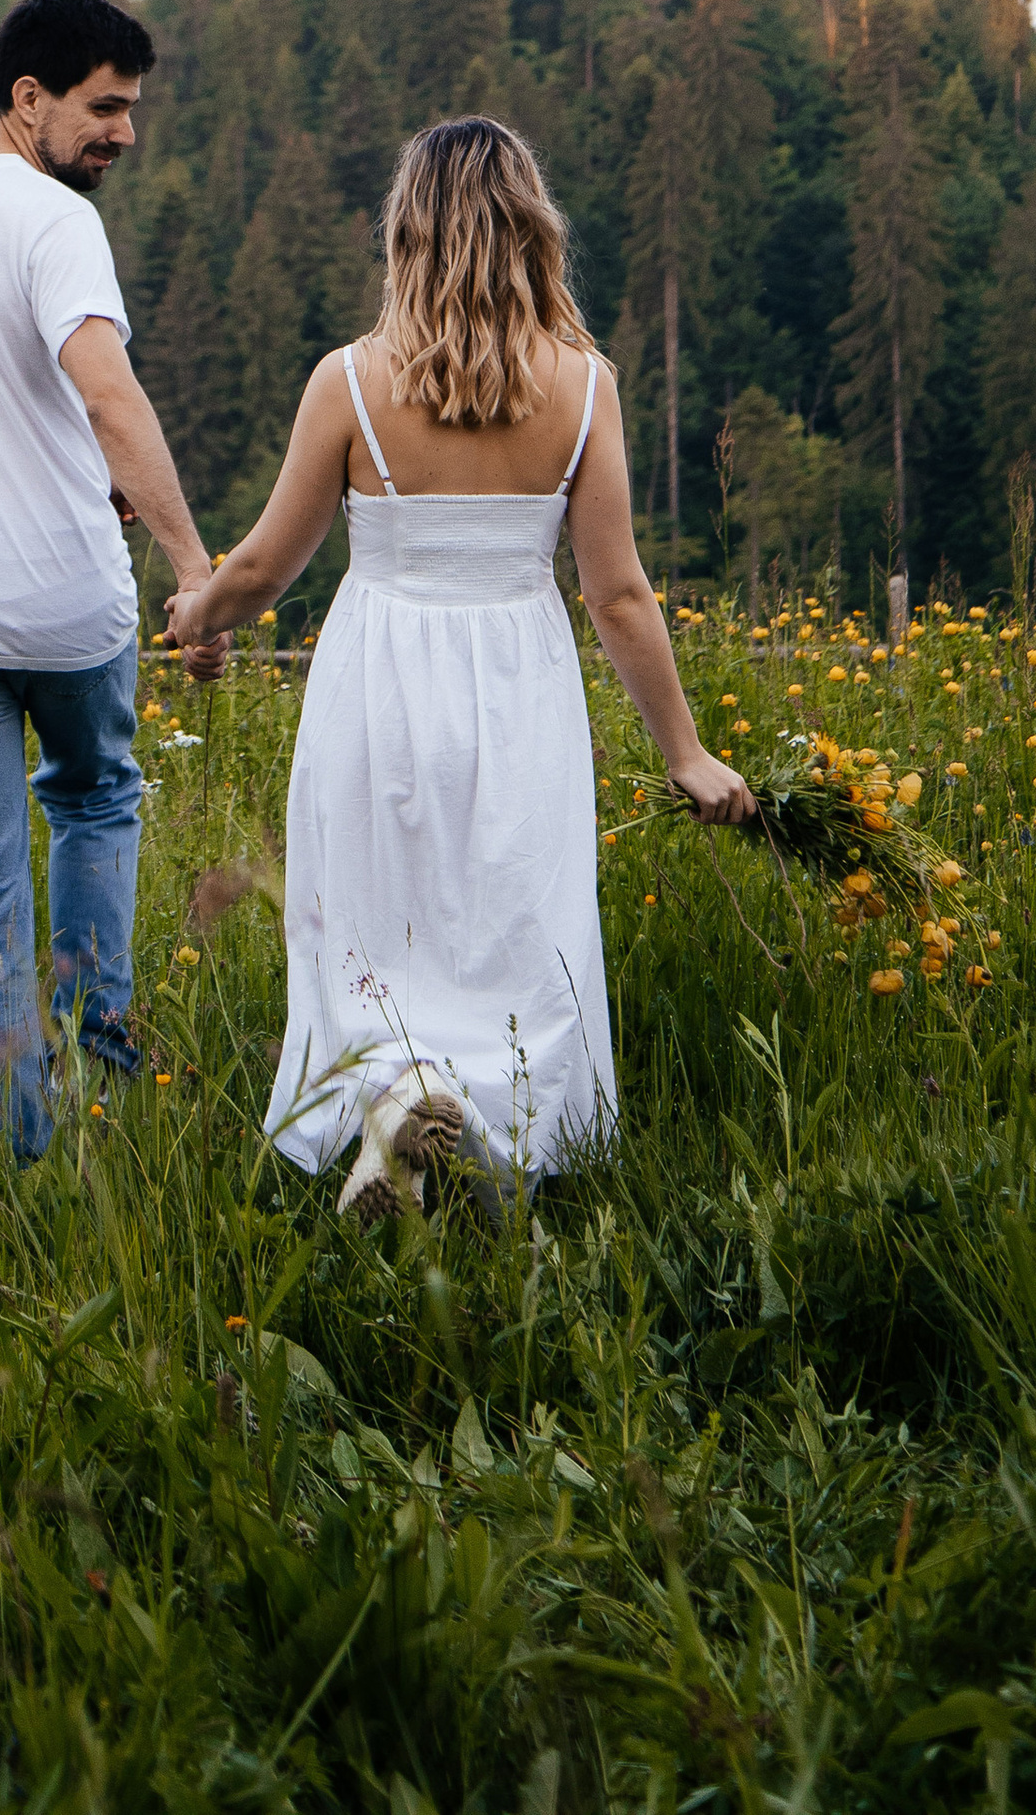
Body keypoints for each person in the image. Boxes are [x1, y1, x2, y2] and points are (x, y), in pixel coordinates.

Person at [165, 114, 752, 1215]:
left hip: (378, 682)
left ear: (408, 236)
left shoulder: (347, 382)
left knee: (369, 925)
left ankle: (396, 1101)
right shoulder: (583, 386)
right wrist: (686, 752)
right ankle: (488, 1149)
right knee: (514, 928)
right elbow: (617, 592)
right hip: (518, 688)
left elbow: (261, 567)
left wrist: (197, 612)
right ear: (532, 230)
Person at [0, 0, 225, 1160]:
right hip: (66, 608)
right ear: (29, 100)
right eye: (103, 108)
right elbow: (104, 388)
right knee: (92, 797)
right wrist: (193, 566)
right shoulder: (56, 220)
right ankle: (102, 1082)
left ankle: (21, 1164)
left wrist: (86, 460)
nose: (124, 133)